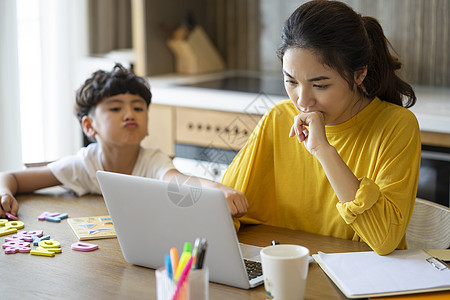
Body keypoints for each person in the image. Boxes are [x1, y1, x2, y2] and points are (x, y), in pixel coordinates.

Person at [221, 0, 421, 255]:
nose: (302, 101)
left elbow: (383, 240)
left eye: (320, 85)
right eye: (291, 81)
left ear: (359, 74)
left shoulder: (396, 126)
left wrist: (323, 150)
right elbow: (225, 211)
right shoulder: (278, 118)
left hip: (359, 282)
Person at [0, 63, 248, 219]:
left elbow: (180, 182)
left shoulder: (152, 161)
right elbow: (11, 178)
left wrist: (218, 189)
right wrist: (4, 193)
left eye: (138, 108)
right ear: (89, 125)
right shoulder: (84, 165)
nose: (130, 114)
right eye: (116, 108)